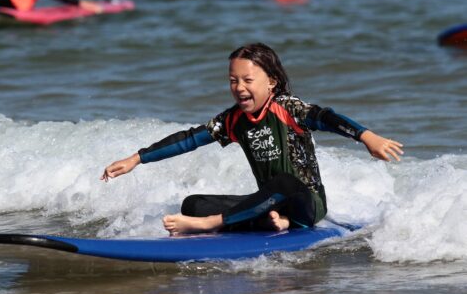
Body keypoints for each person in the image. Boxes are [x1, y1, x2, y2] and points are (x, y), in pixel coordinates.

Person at [101, 43, 403, 235]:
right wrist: (137, 158)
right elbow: (189, 139)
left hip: (306, 204)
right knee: (192, 204)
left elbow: (326, 117)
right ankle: (271, 221)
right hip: (270, 204)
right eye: (233, 81)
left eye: (247, 80)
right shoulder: (233, 120)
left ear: (271, 82)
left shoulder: (288, 108)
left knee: (284, 182)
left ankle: (216, 224)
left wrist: (366, 136)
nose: (239, 87)